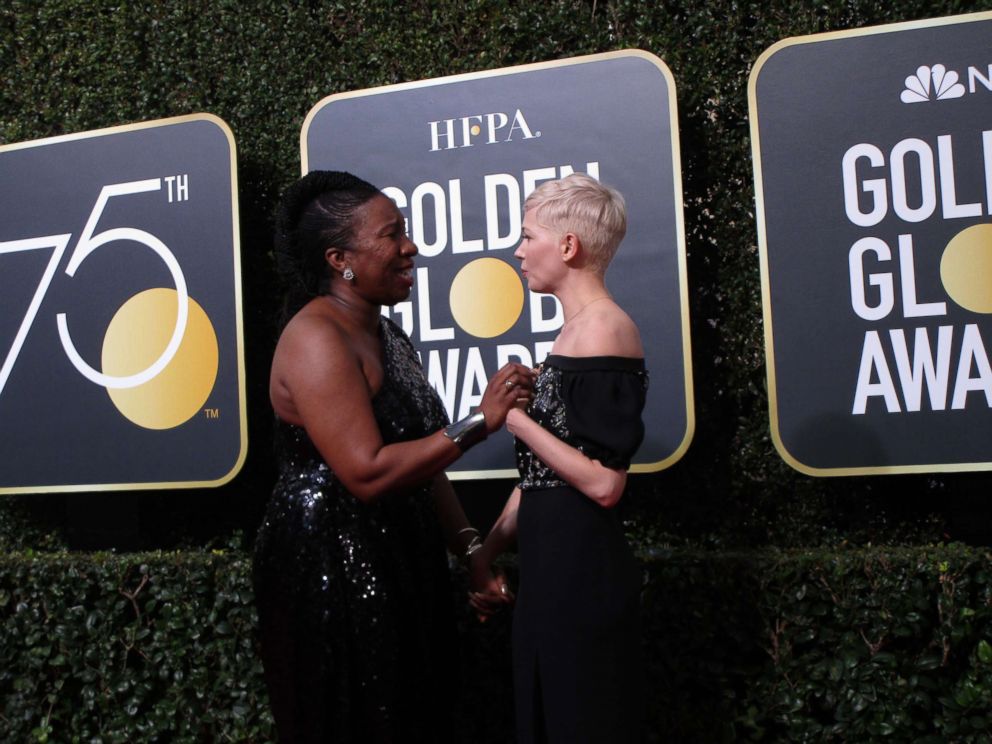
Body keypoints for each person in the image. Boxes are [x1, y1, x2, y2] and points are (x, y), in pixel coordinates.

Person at [252, 170, 533, 743]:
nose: (411, 247)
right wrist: (480, 422)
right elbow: (368, 471)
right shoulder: (315, 337)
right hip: (330, 563)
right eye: (393, 234)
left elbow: (423, 468)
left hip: (403, 554)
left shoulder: (388, 335)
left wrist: (472, 550)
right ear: (340, 259)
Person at [470, 173, 647, 743]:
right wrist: (484, 553)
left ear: (568, 246)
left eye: (527, 236)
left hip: (582, 576)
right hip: (552, 572)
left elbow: (603, 484)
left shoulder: (605, 330)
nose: (518, 251)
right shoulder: (574, 332)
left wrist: (515, 418)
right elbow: (541, 476)